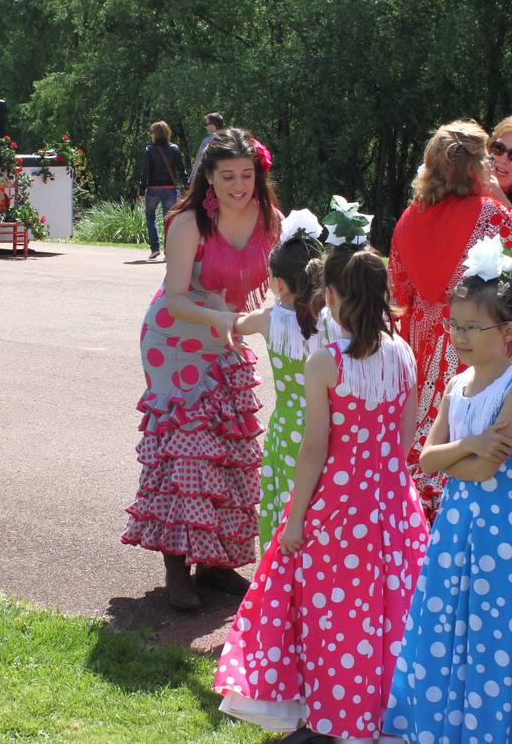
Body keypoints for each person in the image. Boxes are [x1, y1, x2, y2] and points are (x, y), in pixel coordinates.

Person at [214, 243, 428, 740]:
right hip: (393, 502)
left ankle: (332, 715)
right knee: (388, 608)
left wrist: (293, 522)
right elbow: (404, 436)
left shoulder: (324, 363)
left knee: (331, 613)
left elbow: (314, 449)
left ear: (330, 295)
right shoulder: (405, 355)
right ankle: (383, 713)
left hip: (338, 504)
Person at [384, 236, 512, 742]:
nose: (460, 336)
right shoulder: (455, 385)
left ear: (509, 330)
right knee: (452, 621)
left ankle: (502, 727)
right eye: (456, 325)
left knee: (501, 627)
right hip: (457, 527)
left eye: (473, 327)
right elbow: (426, 458)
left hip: (506, 534)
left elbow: (485, 471)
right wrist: (469, 445)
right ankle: (453, 722)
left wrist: (457, 458)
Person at [122, 129, 280, 609]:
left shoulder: (270, 219)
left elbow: (281, 280)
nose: (239, 185)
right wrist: (225, 320)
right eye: (227, 176)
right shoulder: (189, 222)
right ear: (208, 178)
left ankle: (217, 562)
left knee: (229, 448)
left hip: (227, 332)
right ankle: (177, 564)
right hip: (175, 338)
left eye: (247, 175)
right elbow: (175, 298)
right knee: (187, 451)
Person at [389, 119, 512, 521]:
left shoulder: (407, 218)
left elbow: (398, 288)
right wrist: (501, 200)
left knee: (429, 429)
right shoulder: (488, 212)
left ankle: (419, 524)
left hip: (425, 339)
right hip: (474, 338)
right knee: (473, 428)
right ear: (476, 167)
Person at [230, 208, 336, 544]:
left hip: (288, 427)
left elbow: (237, 324)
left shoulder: (268, 320)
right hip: (330, 428)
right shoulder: (334, 323)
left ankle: (279, 582)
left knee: (284, 500)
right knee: (319, 503)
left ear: (276, 283)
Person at [139, 121, 188, 261]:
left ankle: (155, 249)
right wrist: (187, 186)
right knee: (169, 221)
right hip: (170, 189)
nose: (150, 135)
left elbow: (145, 172)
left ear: (156, 133)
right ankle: (169, 251)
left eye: (151, 132)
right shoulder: (175, 149)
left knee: (150, 217)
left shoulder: (150, 150)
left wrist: (141, 191)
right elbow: (182, 170)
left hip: (153, 189)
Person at [191, 112, 224, 181]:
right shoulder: (228, 138)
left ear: (213, 125)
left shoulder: (207, 141)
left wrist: (192, 179)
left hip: (210, 179)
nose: (206, 127)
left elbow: (198, 161)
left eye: (207, 124)